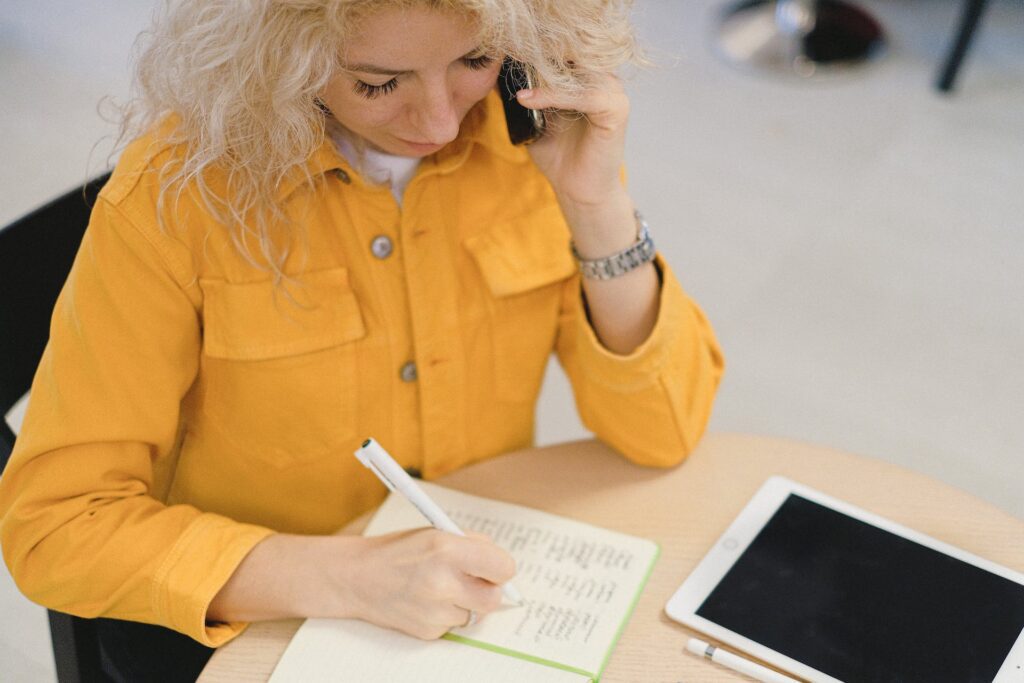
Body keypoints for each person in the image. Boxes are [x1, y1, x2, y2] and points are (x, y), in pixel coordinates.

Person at [0, 0, 724, 680]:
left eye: (472, 61)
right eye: (379, 84)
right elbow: (57, 526)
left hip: (471, 602)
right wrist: (350, 575)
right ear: (281, 53)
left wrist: (594, 203)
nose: (440, 120)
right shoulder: (177, 199)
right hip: (252, 624)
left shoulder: (531, 133)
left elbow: (663, 428)